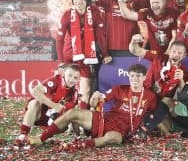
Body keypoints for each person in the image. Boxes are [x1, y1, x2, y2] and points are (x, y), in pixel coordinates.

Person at [29, 64, 157, 150]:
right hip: (105, 120)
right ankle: (42, 138)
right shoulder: (119, 89)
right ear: (128, 76)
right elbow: (95, 104)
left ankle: (81, 144)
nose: (134, 79)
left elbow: (155, 114)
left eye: (138, 76)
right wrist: (95, 98)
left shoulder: (150, 96)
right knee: (73, 112)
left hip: (121, 131)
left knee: (115, 138)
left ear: (144, 78)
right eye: (132, 76)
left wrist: (148, 130)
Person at [57, 0, 107, 107]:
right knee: (67, 91)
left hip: (87, 57)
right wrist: (61, 61)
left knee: (86, 91)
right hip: (69, 57)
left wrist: (106, 54)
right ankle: (64, 118)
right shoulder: (67, 15)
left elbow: (101, 36)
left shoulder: (95, 13)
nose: (78, 2)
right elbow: (59, 39)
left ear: (87, 1)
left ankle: (80, 120)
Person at [16, 64, 81, 145]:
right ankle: (23, 135)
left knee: (74, 110)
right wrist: (54, 105)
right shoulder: (56, 81)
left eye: (75, 78)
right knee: (34, 103)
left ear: (79, 79)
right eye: (70, 75)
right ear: (64, 74)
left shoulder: (76, 92)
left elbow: (74, 114)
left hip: (56, 123)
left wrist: (77, 136)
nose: (71, 79)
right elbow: (35, 91)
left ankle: (45, 137)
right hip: (41, 114)